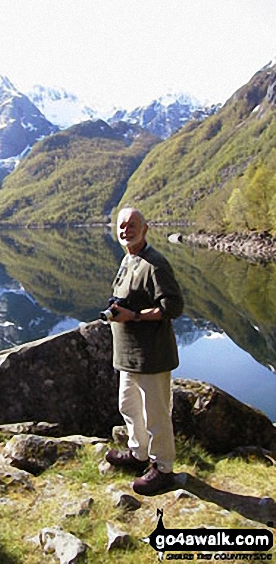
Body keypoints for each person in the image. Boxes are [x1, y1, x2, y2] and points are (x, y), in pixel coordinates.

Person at [105, 206, 184, 496]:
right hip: (128, 356)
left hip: (152, 355)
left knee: (156, 415)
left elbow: (173, 306)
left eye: (132, 225)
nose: (126, 230)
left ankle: (163, 468)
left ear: (145, 228)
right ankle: (138, 454)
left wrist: (134, 317)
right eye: (122, 226)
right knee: (128, 406)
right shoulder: (128, 260)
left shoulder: (155, 264)